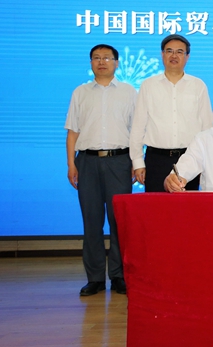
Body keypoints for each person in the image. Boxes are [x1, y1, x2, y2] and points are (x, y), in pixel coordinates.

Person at [65, 44, 136, 296]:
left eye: (107, 57)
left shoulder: (129, 92)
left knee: (119, 222)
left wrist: (136, 162)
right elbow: (73, 131)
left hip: (119, 161)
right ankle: (95, 278)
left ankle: (118, 275)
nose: (101, 61)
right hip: (87, 161)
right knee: (91, 220)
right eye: (96, 58)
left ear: (117, 62)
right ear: (91, 63)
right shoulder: (80, 92)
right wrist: (71, 164)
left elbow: (137, 131)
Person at [129, 34, 213, 192]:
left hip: (190, 159)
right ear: (162, 54)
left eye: (180, 52)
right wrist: (138, 162)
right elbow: (138, 127)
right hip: (156, 159)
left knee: (187, 206)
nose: (174, 55)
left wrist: (206, 162)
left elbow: (207, 128)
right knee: (156, 206)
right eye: (169, 51)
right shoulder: (148, 85)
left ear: (187, 56)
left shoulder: (198, 85)